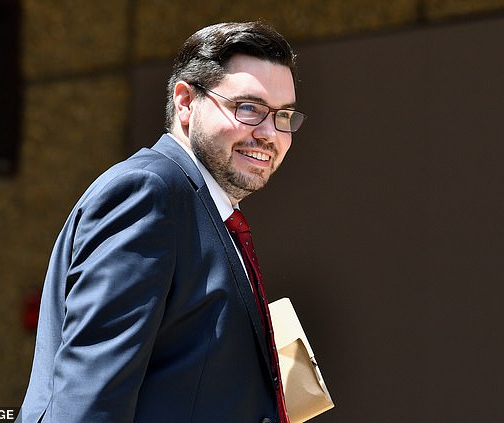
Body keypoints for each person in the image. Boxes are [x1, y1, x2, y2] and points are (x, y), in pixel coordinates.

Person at [17, 21, 306, 423]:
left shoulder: (207, 210)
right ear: (186, 101)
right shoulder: (149, 193)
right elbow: (89, 399)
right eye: (249, 108)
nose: (270, 134)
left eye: (284, 115)